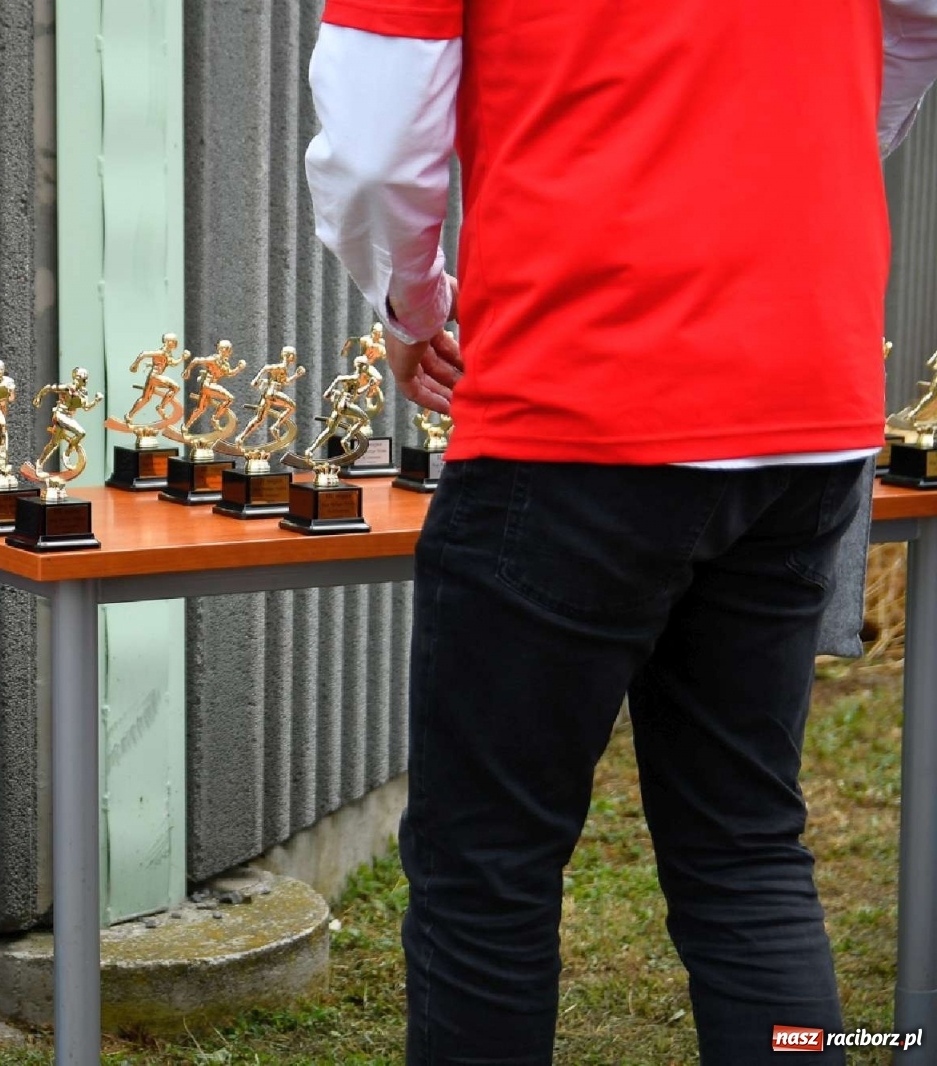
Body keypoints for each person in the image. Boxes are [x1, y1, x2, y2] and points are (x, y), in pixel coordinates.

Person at [306, 0, 937, 1061]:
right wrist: (784, 188)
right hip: (800, 396)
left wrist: (411, 309)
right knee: (745, 846)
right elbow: (915, 28)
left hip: (579, 400)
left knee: (487, 868)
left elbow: (373, 151)